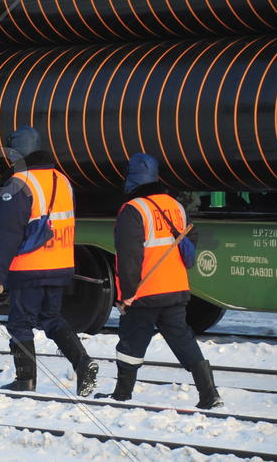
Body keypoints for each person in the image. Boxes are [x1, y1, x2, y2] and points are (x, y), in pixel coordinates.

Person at [95, 153, 223, 409]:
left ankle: (121, 394)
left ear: (131, 179)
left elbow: (129, 257)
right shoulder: (174, 205)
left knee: (131, 341)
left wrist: (126, 295)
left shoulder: (133, 210)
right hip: (175, 288)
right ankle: (209, 394)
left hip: (145, 292)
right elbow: (191, 235)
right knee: (182, 339)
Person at [0, 126, 98, 396]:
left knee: (20, 323)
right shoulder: (62, 179)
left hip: (29, 266)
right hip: (59, 263)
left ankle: (25, 380)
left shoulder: (19, 183)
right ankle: (83, 363)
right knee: (51, 317)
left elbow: (8, 233)